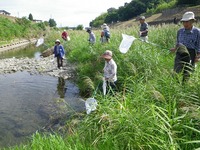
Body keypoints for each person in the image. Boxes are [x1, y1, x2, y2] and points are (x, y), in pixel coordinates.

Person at [170, 11, 200, 82]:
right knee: (176, 71)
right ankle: (175, 85)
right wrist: (175, 49)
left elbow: (199, 45)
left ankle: (185, 86)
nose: (185, 24)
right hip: (180, 53)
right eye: (184, 22)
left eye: (187, 22)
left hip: (191, 53)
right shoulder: (180, 31)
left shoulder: (197, 32)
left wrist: (198, 56)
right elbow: (178, 42)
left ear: (192, 21)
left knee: (187, 72)